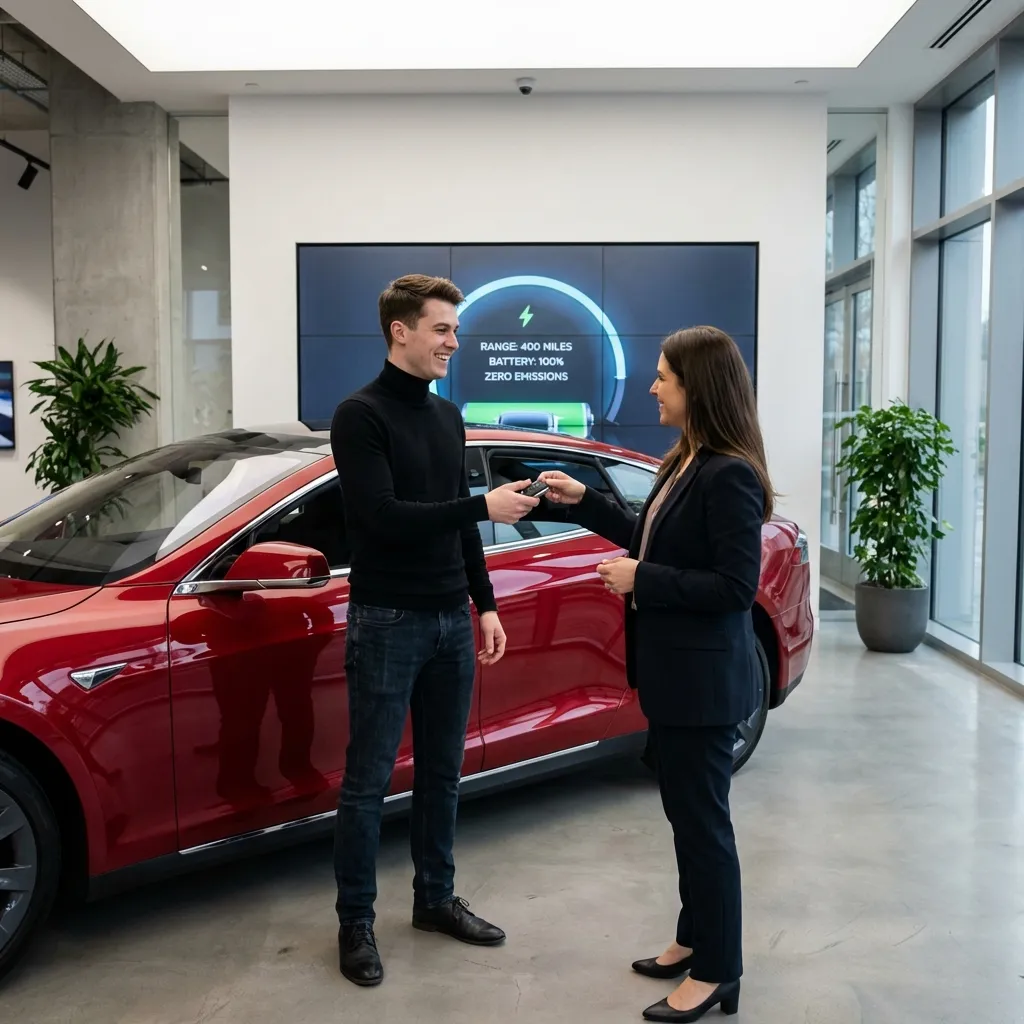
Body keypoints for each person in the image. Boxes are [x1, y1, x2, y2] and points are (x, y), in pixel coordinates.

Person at [539, 326, 773, 1023]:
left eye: (664, 376)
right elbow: (648, 537)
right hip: (675, 678)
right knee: (686, 817)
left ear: (695, 387)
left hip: (704, 686)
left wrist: (645, 579)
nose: (652, 386)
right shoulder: (685, 461)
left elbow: (733, 587)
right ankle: (692, 938)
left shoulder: (729, 473)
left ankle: (719, 971)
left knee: (704, 827)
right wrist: (581, 500)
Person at [329, 274, 540, 987]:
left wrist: (484, 603)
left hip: (452, 618)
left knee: (444, 775)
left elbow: (460, 524)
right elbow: (383, 518)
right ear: (401, 331)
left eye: (455, 329)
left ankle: (434, 900)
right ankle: (355, 922)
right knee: (367, 783)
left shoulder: (448, 418)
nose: (455, 340)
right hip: (387, 620)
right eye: (443, 328)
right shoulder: (359, 416)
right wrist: (482, 507)